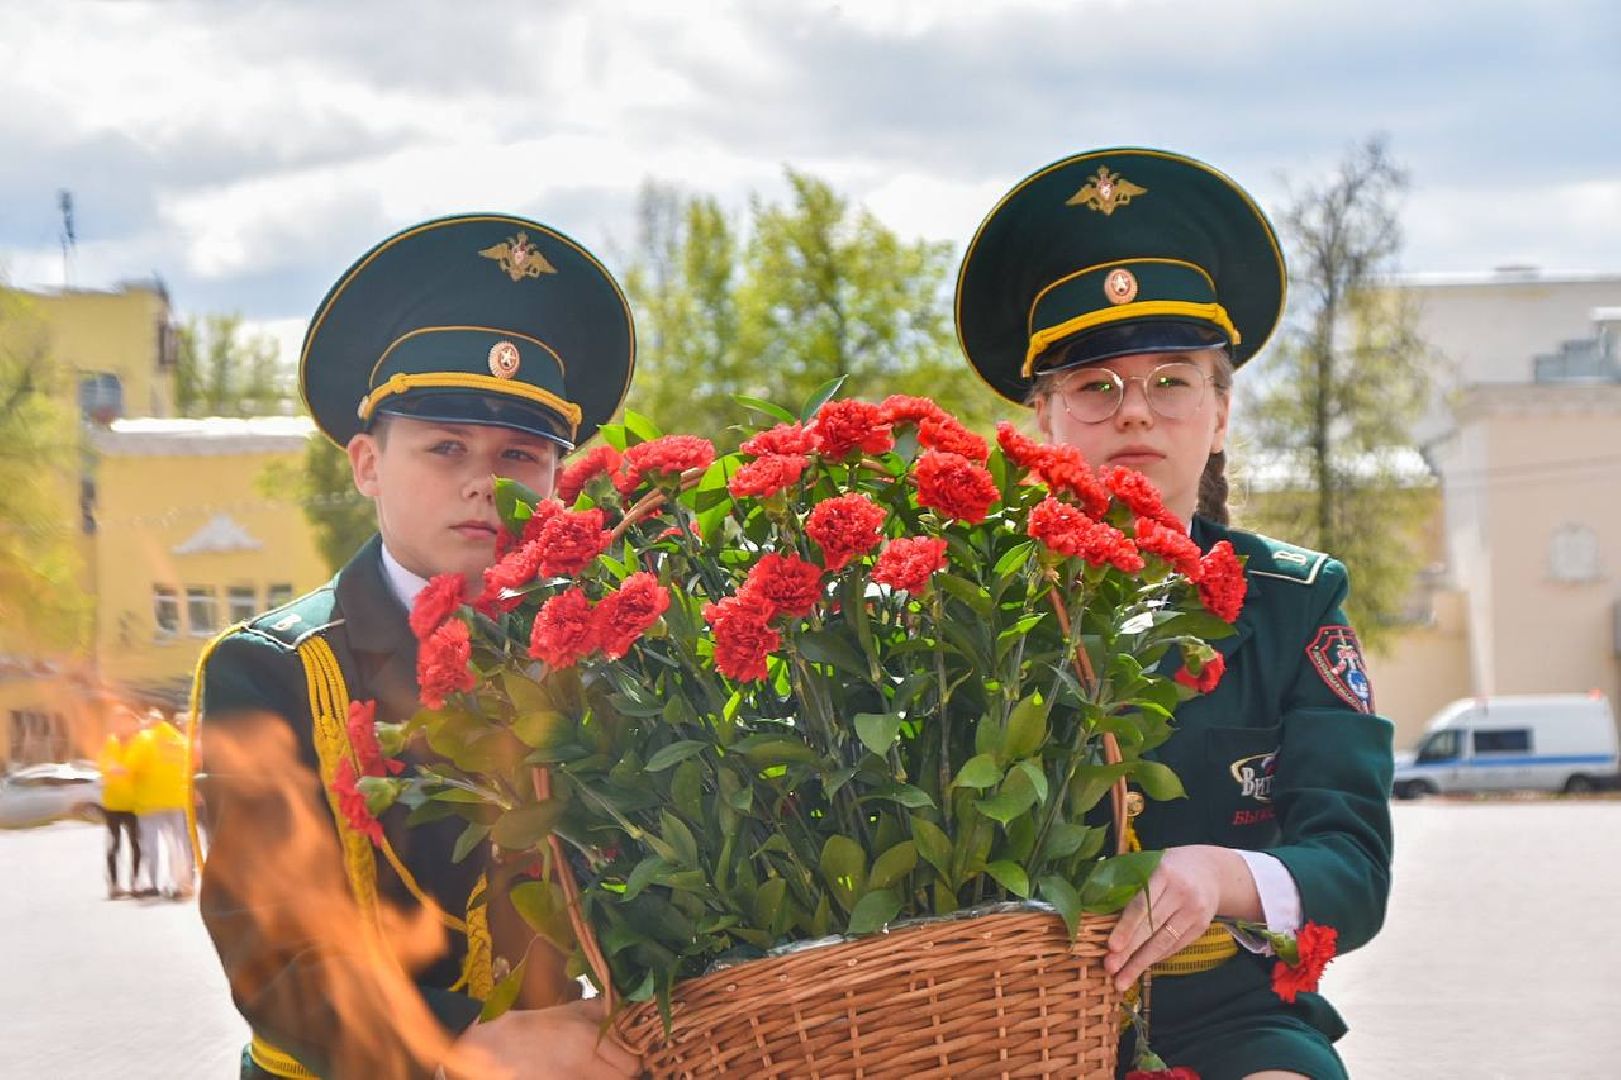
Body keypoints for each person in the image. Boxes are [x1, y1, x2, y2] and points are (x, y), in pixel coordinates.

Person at [955, 148, 1394, 1079]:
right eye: (1095, 385)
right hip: (989, 1027)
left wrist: (1214, 876)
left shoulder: (1292, 603)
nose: (1135, 416)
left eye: (1170, 379)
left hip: (1225, 1018)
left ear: (1221, 412)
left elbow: (1351, 870)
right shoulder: (967, 604)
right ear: (1046, 420)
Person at [192, 213, 642, 1080]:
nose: (484, 479)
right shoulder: (276, 670)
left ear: (554, 479)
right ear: (366, 465)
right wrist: (466, 1048)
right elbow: (273, 948)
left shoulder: (611, 654)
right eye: (445, 447)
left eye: (520, 453)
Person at [127, 708, 196, 899]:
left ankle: (153, 883)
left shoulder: (144, 739)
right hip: (176, 800)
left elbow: (130, 768)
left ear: (150, 722)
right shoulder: (180, 741)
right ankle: (181, 883)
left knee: (151, 844)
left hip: (150, 801)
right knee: (178, 843)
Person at [95, 703, 142, 899]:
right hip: (113, 804)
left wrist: (121, 770)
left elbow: (134, 768)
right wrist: (119, 770)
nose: (122, 726)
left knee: (136, 844)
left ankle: (136, 882)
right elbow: (106, 766)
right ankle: (114, 885)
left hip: (134, 803)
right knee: (113, 844)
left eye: (126, 722)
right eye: (119, 722)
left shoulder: (140, 743)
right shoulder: (110, 743)